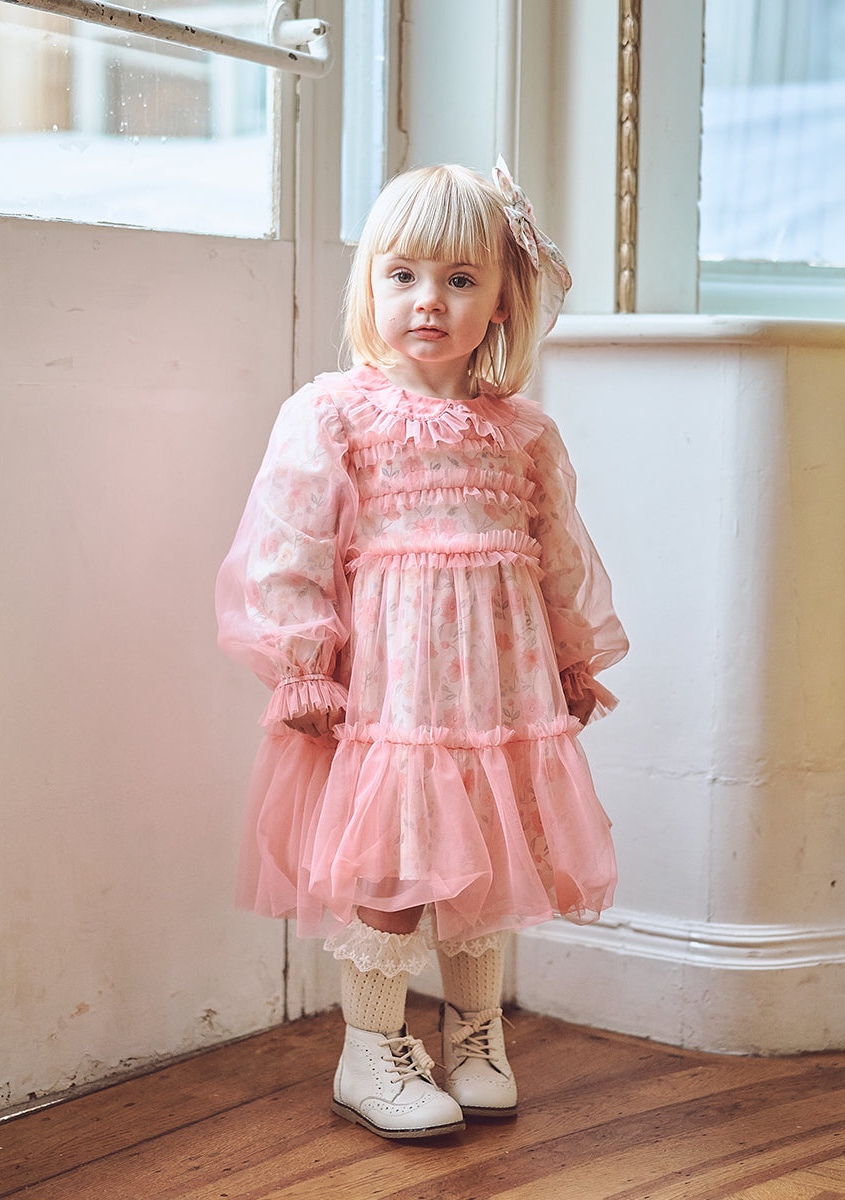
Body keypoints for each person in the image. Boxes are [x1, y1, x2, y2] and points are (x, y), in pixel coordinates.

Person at [215, 159, 628, 1140]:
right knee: (396, 870)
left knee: (486, 862)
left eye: (459, 279)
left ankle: (475, 1035)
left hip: (497, 696)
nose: (428, 300)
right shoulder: (335, 413)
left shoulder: (522, 432)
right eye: (402, 275)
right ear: (370, 284)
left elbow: (558, 556)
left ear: (502, 301)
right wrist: (301, 663)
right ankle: (371, 1049)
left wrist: (571, 655)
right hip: (393, 699)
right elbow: (286, 543)